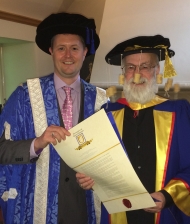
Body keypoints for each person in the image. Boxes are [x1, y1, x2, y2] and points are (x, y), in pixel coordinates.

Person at [0, 12, 108, 224]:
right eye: (61, 48)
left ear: (85, 52)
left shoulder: (101, 100)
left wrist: (99, 176)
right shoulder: (24, 96)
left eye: (75, 48)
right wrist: (36, 144)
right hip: (36, 205)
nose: (68, 55)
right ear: (51, 51)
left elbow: (112, 155)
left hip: (85, 205)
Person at [76, 35, 190, 224]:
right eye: (130, 67)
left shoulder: (178, 113)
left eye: (145, 66)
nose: (137, 74)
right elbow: (97, 166)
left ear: (157, 70)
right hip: (118, 216)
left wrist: (168, 195)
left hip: (164, 216)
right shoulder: (107, 116)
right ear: (123, 73)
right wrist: (88, 178)